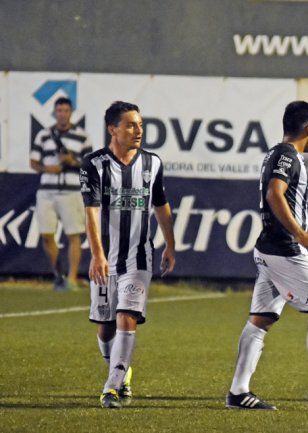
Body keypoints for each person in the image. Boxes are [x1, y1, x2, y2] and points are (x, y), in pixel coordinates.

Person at [225, 101, 308, 410]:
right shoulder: (287, 155)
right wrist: (299, 233)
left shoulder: (278, 152)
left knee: (261, 318)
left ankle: (238, 391)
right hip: (285, 248)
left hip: (269, 247)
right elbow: (274, 192)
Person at [80, 101, 176, 408]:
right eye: (131, 125)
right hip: (106, 258)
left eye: (140, 125)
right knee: (105, 325)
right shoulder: (94, 165)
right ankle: (121, 371)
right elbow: (91, 213)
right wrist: (97, 255)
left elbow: (161, 204)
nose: (138, 131)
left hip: (139, 257)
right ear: (113, 129)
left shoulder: (153, 163)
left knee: (127, 315)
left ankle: (111, 387)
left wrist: (170, 244)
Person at [30, 97, 93, 291]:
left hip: (71, 191)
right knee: (46, 234)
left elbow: (90, 165)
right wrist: (47, 169)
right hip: (47, 191)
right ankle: (59, 275)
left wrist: (72, 161)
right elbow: (34, 162)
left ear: (71, 112)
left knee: (74, 234)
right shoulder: (43, 135)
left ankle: (72, 279)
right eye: (59, 111)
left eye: (66, 110)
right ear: (55, 113)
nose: (62, 114)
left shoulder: (82, 136)